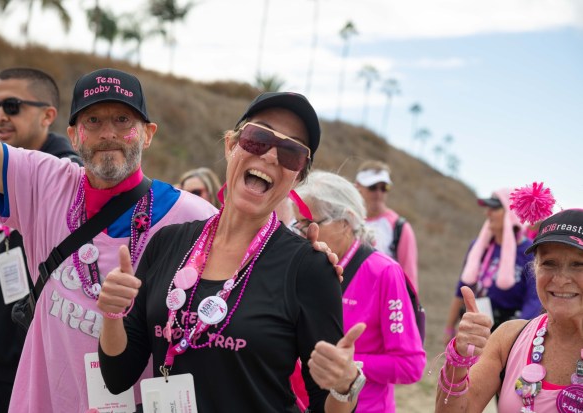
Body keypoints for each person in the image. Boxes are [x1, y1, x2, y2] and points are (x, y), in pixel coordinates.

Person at [0, 67, 220, 412]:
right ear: (73, 136)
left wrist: (316, 247)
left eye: (122, 120)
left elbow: (257, 255)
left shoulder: (194, 217)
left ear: (148, 134)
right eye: (94, 120)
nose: (108, 133)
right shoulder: (45, 183)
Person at [97, 92, 367, 413]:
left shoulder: (309, 268)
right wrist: (112, 314)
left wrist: (344, 385)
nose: (269, 156)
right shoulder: (167, 244)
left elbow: (326, 404)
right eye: (258, 138)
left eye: (291, 152)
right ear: (230, 145)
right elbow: (118, 376)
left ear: (298, 176)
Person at [0, 67, 82, 413]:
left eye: (12, 106)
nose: (0, 116)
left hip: (35, 369)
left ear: (48, 116)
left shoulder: (70, 181)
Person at [434, 185, 583, 413]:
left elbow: (531, 303)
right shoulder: (508, 338)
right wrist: (459, 359)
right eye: (549, 263)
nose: (561, 279)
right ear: (534, 269)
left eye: (578, 264)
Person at [290, 170, 426, 412]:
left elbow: (410, 365)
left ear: (346, 222)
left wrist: (348, 365)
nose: (302, 234)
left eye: (311, 224)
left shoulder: (384, 272)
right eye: (297, 225)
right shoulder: (306, 266)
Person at [443, 188, 542, 346]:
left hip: (508, 334)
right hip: (476, 329)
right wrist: (449, 328)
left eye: (494, 208)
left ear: (511, 214)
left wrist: (513, 338)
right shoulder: (478, 247)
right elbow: (462, 289)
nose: (487, 213)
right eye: (487, 208)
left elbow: (534, 301)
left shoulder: (529, 252)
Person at [355, 160, 419, 291]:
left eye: (384, 187)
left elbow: (409, 279)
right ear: (357, 187)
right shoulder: (347, 220)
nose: (378, 193)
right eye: (372, 187)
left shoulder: (399, 227)